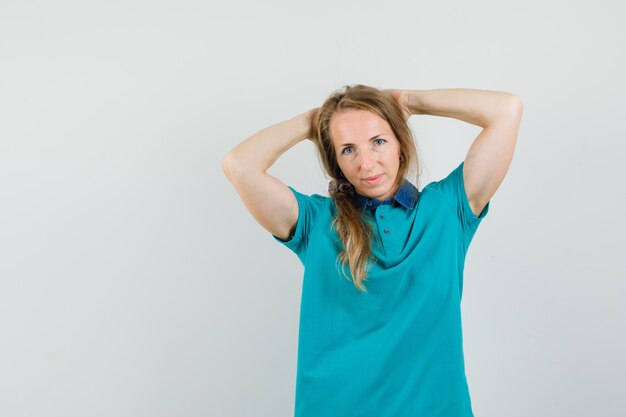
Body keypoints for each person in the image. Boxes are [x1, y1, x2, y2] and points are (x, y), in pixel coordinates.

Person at [222, 85, 523, 417]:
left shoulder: (447, 209)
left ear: (400, 143)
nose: (366, 163)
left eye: (378, 141)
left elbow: (507, 110)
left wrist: (409, 102)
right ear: (335, 160)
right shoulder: (316, 222)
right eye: (348, 149)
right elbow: (239, 165)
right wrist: (312, 122)